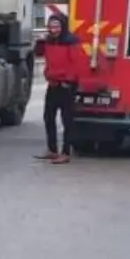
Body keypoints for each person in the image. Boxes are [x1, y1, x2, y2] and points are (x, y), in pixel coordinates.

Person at [40, 10, 83, 162]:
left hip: (66, 86)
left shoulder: (71, 42)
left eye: (57, 26)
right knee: (48, 117)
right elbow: (48, 61)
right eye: (51, 26)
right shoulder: (49, 41)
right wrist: (47, 74)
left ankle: (65, 152)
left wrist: (68, 81)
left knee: (67, 120)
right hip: (52, 84)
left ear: (62, 26)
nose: (54, 29)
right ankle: (52, 149)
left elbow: (77, 63)